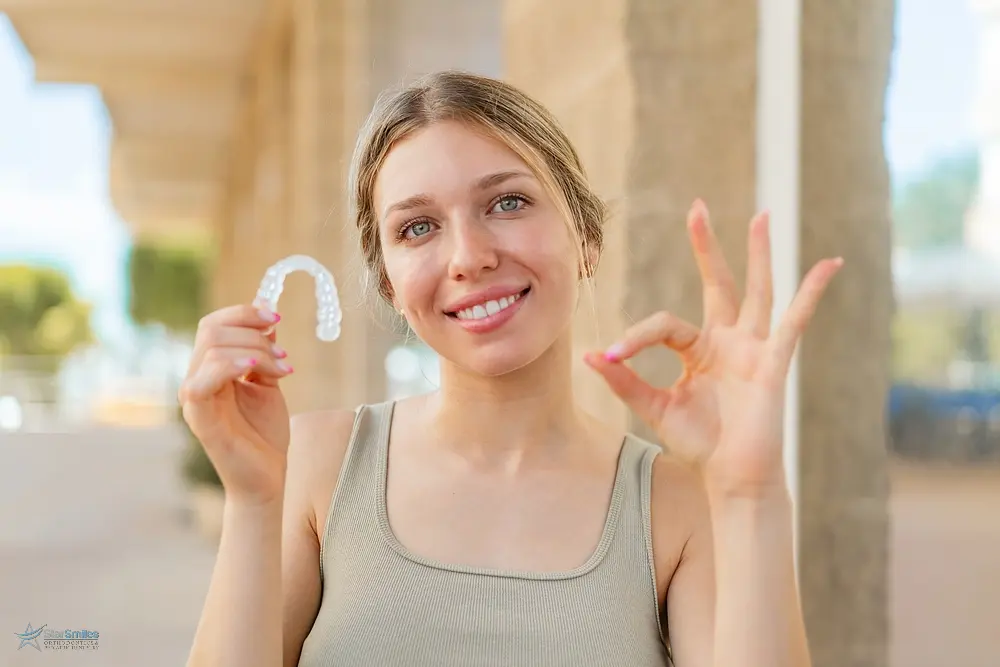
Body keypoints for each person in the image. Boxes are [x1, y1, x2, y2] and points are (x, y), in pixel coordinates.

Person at [180, 70, 841, 667]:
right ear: (389, 287)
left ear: (585, 237)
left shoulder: (672, 508)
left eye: (507, 203)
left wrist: (750, 495)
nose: (468, 256)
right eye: (417, 228)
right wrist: (253, 500)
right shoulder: (315, 465)